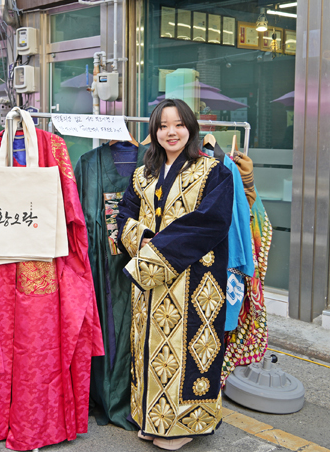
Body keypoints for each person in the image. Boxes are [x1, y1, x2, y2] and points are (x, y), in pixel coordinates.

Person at [116, 98, 233, 450]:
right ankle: (152, 418)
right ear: (154, 131)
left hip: (193, 281)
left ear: (191, 128)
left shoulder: (214, 172)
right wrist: (144, 241)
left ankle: (182, 426)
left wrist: (154, 253)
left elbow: (208, 224)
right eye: (164, 125)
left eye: (179, 124)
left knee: (186, 354)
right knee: (149, 348)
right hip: (151, 283)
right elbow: (124, 215)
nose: (171, 132)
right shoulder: (142, 175)